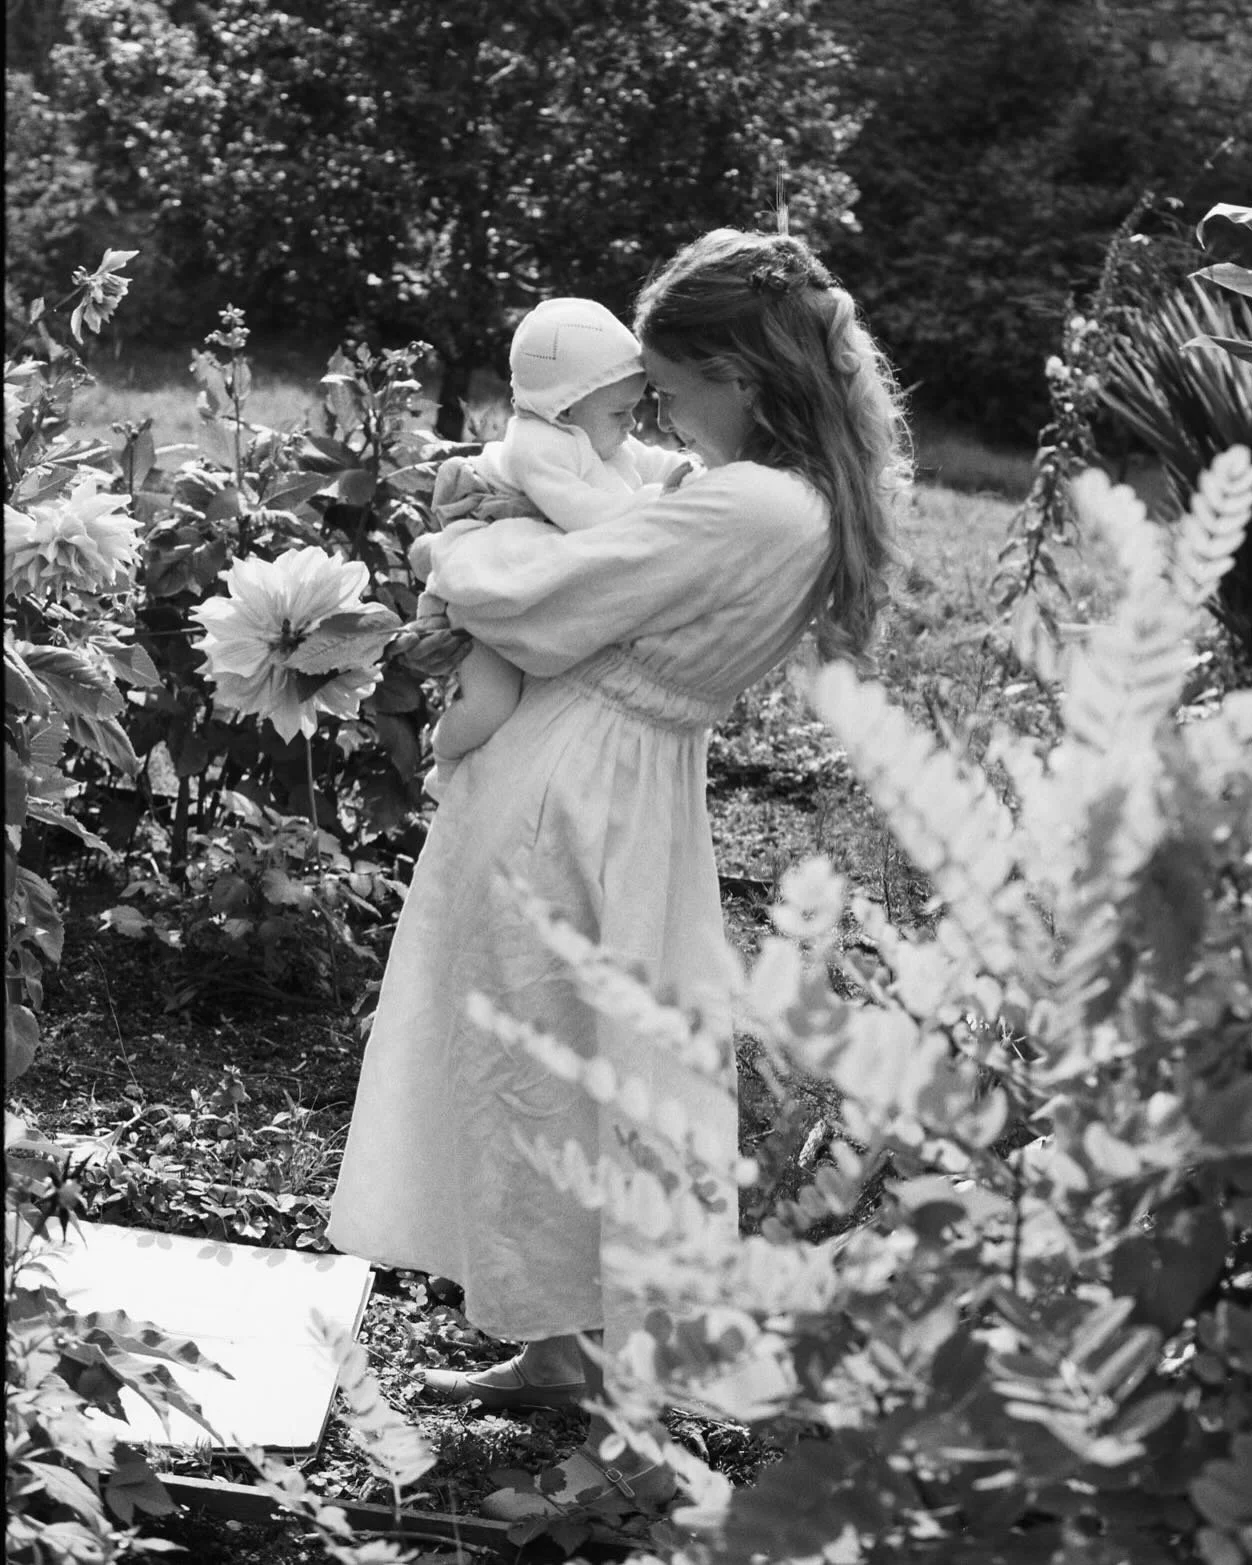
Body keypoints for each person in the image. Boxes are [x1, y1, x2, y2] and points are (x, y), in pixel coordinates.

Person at [327, 228, 908, 1519]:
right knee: (560, 1057)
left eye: (671, 385)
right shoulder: (787, 493)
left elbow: (554, 601)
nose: (655, 411)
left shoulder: (749, 502)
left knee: (585, 1076)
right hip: (621, 784)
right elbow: (625, 538)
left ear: (740, 376)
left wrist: (450, 553)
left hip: (579, 788)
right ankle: (561, 1343)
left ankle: (624, 1390)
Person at [412, 296, 693, 799]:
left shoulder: (593, 433)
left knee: (526, 702)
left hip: (522, 584)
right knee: (491, 704)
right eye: (621, 412)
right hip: (480, 591)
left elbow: (644, 461)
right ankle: (444, 760)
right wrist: (656, 502)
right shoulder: (537, 445)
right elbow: (581, 513)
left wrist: (687, 473)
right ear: (564, 408)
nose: (633, 424)